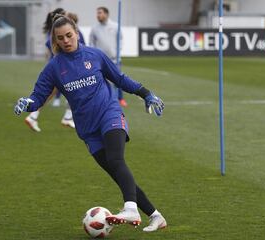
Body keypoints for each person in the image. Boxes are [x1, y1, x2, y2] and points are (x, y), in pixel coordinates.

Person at [14, 15, 167, 232]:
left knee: (116, 159)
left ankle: (130, 208)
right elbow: (38, 96)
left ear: (76, 32)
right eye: (60, 38)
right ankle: (155, 216)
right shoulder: (54, 67)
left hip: (109, 113)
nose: (66, 40)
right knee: (117, 172)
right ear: (55, 42)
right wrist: (27, 103)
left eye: (69, 35)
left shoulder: (94, 55)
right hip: (88, 130)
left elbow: (120, 78)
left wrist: (146, 94)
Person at [89, 6, 128, 107]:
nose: (98, 15)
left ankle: (120, 98)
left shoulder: (115, 26)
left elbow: (121, 39)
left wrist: (118, 52)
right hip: (100, 60)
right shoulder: (95, 28)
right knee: (101, 80)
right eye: (97, 13)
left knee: (118, 79)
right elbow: (91, 42)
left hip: (114, 59)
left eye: (100, 13)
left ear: (106, 14)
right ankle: (104, 99)